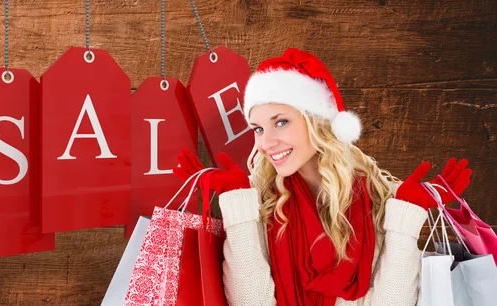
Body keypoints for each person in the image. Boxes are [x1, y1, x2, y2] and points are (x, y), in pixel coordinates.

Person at [173, 48, 473, 306]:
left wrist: (409, 215)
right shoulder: (259, 198)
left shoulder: (382, 197)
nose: (266, 143)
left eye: (281, 122)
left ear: (319, 122)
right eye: (259, 128)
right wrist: (235, 202)